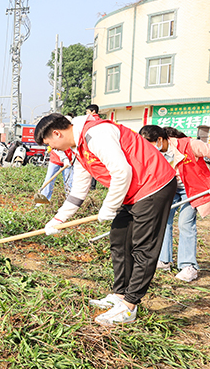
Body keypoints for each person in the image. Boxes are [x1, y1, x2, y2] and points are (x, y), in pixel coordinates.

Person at [35, 113, 176, 326]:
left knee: (143, 247)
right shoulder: (80, 147)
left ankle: (129, 306)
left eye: (51, 145)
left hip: (153, 185)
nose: (54, 150)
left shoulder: (96, 135)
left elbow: (121, 171)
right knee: (119, 240)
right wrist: (58, 219)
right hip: (132, 191)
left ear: (56, 133)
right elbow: (79, 190)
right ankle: (119, 295)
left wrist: (108, 208)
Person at [139, 125, 210, 282]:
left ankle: (188, 266)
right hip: (169, 190)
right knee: (164, 221)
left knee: (185, 223)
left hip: (192, 189)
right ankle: (164, 260)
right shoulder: (153, 154)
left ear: (159, 139)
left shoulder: (189, 145)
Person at [85, 104, 100, 190]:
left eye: (87, 112)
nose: (86, 114)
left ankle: (91, 186)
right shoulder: (101, 121)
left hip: (91, 146)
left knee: (91, 165)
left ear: (93, 111)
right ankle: (92, 186)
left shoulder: (91, 121)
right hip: (97, 146)